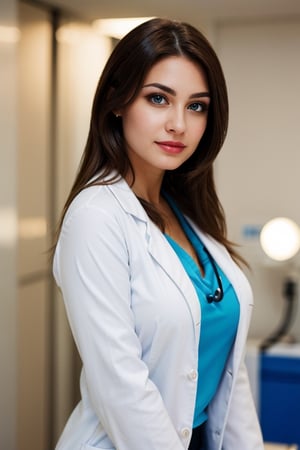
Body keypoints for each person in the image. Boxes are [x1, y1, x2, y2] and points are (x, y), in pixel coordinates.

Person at [53, 17, 264, 450]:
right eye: (158, 99)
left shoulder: (189, 212)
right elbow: (121, 388)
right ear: (117, 101)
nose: (178, 125)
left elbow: (230, 371)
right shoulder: (96, 218)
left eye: (196, 106)